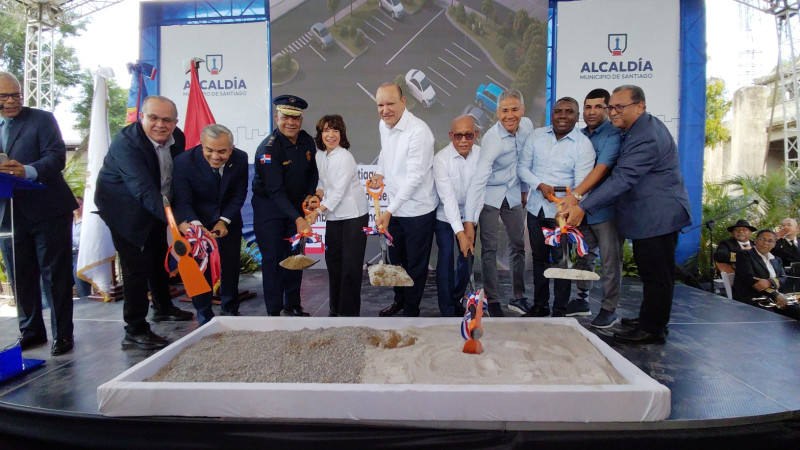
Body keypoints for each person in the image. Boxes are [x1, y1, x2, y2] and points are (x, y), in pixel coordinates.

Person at [563, 85, 692, 344]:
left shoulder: (645, 136)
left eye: (619, 107)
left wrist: (581, 205)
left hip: (658, 215)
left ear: (640, 106)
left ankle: (652, 329)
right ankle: (650, 320)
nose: (613, 112)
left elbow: (622, 178)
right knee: (652, 273)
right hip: (651, 216)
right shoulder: (636, 129)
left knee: (657, 275)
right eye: (611, 107)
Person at [95, 95, 194, 351]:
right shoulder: (126, 144)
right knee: (136, 266)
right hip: (124, 209)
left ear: (175, 122)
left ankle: (162, 307)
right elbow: (142, 191)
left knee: (159, 255)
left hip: (157, 206)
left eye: (167, 120)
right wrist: (176, 223)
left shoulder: (178, 138)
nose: (160, 125)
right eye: (154, 118)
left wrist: (178, 214)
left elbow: (176, 180)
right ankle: (135, 330)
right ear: (142, 117)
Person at [0, 71, 75, 356]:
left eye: (16, 94)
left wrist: (27, 171)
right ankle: (30, 332)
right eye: (4, 96)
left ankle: (63, 335)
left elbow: (56, 157)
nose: (11, 101)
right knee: (21, 275)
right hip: (9, 214)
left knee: (55, 276)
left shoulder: (41, 119)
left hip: (48, 210)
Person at [517, 97, 595, 318]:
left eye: (568, 112)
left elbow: (582, 185)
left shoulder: (583, 145)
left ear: (577, 116)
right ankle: (540, 306)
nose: (562, 115)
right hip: (536, 210)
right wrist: (539, 185)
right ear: (552, 114)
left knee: (562, 263)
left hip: (562, 215)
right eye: (558, 111)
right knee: (539, 260)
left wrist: (568, 207)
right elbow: (523, 168)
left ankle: (559, 310)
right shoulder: (537, 136)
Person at [368, 83, 437, 318]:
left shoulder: (419, 131)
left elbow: (415, 177)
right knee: (397, 261)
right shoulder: (383, 125)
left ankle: (411, 310)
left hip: (418, 210)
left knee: (416, 265)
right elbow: (385, 155)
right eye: (380, 105)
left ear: (403, 102)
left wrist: (389, 211)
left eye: (390, 104)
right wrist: (379, 172)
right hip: (396, 208)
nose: (385, 110)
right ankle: (399, 301)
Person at [463, 89, 533, 317]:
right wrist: (469, 220)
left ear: (522, 110)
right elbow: (478, 180)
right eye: (504, 111)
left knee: (518, 246)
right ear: (497, 113)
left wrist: (523, 190)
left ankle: (518, 297)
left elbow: (525, 162)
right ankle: (492, 300)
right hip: (490, 195)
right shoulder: (492, 140)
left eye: (514, 109)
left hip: (512, 193)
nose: (510, 115)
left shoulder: (528, 127)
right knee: (490, 249)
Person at [172, 124, 248, 325]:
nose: (215, 156)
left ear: (231, 149)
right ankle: (204, 314)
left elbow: (239, 194)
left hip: (228, 219)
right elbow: (182, 200)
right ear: (201, 145)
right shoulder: (183, 162)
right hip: (195, 221)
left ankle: (230, 309)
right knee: (199, 269)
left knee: (230, 265)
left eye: (222, 151)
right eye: (209, 150)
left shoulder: (240, 159)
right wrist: (196, 227)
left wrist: (224, 221)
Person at [560, 89, 624, 328]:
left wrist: (575, 197)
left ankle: (609, 309)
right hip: (581, 213)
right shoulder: (579, 135)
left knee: (609, 261)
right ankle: (582, 300)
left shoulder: (613, 135)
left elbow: (602, 168)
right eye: (588, 107)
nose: (592, 111)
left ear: (607, 109)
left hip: (605, 211)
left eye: (598, 107)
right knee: (584, 258)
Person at [252, 94, 318, 317]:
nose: (291, 122)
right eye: (285, 117)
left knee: (295, 256)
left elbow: (312, 173)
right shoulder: (268, 149)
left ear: (301, 119)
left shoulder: (307, 141)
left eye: (296, 118)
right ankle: (274, 310)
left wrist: (310, 195)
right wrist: (298, 218)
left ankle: (292, 304)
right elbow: (274, 191)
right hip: (269, 210)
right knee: (272, 260)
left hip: (295, 208)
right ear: (276, 117)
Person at [305, 115, 368, 316]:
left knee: (350, 268)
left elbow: (339, 192)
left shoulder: (345, 157)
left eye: (335, 131)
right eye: (326, 131)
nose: (330, 135)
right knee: (333, 263)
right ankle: (335, 310)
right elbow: (324, 183)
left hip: (354, 217)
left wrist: (317, 212)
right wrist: (318, 195)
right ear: (320, 134)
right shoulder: (320, 156)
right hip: (333, 217)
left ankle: (349, 315)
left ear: (342, 134)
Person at [432, 115, 482, 317]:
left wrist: (470, 222)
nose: (463, 140)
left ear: (476, 135)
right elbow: (448, 198)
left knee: (467, 259)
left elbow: (479, 192)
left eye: (468, 135)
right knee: (446, 260)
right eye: (458, 135)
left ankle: (456, 300)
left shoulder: (481, 155)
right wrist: (460, 233)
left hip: (471, 214)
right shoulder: (440, 159)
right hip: (446, 215)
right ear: (451, 136)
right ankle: (446, 310)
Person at [733, 229, 800, 320]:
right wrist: (775, 294)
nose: (765, 243)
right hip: (753, 299)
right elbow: (751, 280)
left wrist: (770, 282)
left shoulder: (777, 260)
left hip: (775, 300)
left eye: (770, 241)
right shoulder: (745, 255)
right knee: (773, 320)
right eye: (762, 239)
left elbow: (783, 278)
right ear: (756, 240)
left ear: (774, 245)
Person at [72, 196, 93, 299]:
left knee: (81, 285)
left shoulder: (87, 222)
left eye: (79, 204)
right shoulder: (69, 222)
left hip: (81, 255)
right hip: (70, 255)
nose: (76, 207)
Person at [773, 217, 800, 292]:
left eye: (789, 225)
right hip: (786, 280)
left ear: (797, 228)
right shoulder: (777, 243)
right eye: (783, 225)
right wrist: (777, 238)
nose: (785, 227)